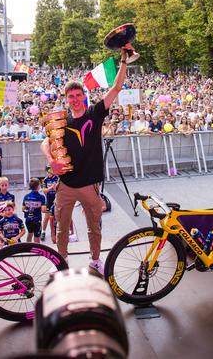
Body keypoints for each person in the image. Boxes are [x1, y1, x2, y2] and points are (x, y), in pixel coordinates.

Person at [41, 44, 130, 272]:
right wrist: (51, 161)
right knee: (61, 228)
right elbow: (45, 142)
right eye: (71, 96)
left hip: (90, 186)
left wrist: (123, 60)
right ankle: (61, 262)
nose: (75, 99)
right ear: (67, 99)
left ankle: (95, 260)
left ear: (84, 96)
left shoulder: (95, 113)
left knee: (95, 227)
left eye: (78, 95)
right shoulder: (62, 121)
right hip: (67, 186)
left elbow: (117, 87)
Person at [22, 178, 45, 244]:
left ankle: (27, 249)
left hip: (28, 220)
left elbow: (23, 209)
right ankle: (37, 252)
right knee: (37, 237)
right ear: (38, 186)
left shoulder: (26, 196)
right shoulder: (41, 197)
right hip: (37, 220)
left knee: (30, 233)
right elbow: (43, 210)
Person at [41, 166, 58, 242]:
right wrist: (51, 187)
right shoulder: (45, 180)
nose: (48, 174)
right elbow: (44, 191)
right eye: (47, 172)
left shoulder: (57, 178)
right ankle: (43, 231)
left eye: (49, 172)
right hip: (49, 200)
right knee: (47, 217)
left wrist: (55, 188)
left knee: (57, 216)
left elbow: (60, 189)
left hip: (56, 200)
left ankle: (56, 232)